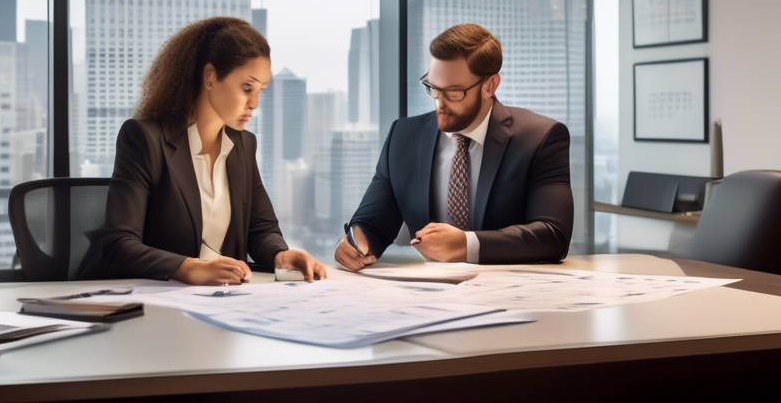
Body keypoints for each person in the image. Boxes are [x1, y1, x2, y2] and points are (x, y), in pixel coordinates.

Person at [92, 17, 326, 284]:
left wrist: (280, 254)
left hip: (226, 302)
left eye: (260, 90)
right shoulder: (145, 139)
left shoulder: (243, 145)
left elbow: (261, 229)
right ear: (211, 77)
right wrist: (187, 268)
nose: (254, 104)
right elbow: (118, 244)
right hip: (163, 300)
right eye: (247, 88)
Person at [335, 23, 573, 270]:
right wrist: (356, 243)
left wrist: (466, 244)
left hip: (512, 296)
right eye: (433, 88)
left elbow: (553, 235)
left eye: (453, 92)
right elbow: (374, 224)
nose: (439, 103)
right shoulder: (404, 136)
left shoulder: (540, 137)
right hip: (429, 295)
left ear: (490, 86)